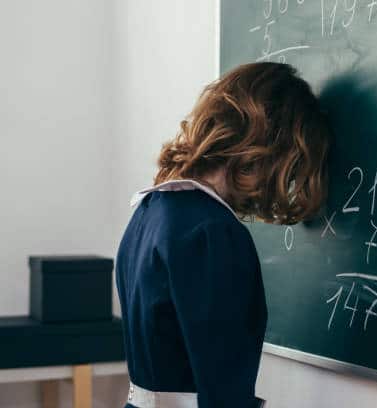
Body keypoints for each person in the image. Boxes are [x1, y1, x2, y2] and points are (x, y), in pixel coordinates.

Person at [115, 62, 331, 408]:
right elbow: (224, 389)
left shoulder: (148, 209)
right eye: (292, 167)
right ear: (271, 149)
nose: (288, 181)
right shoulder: (212, 232)